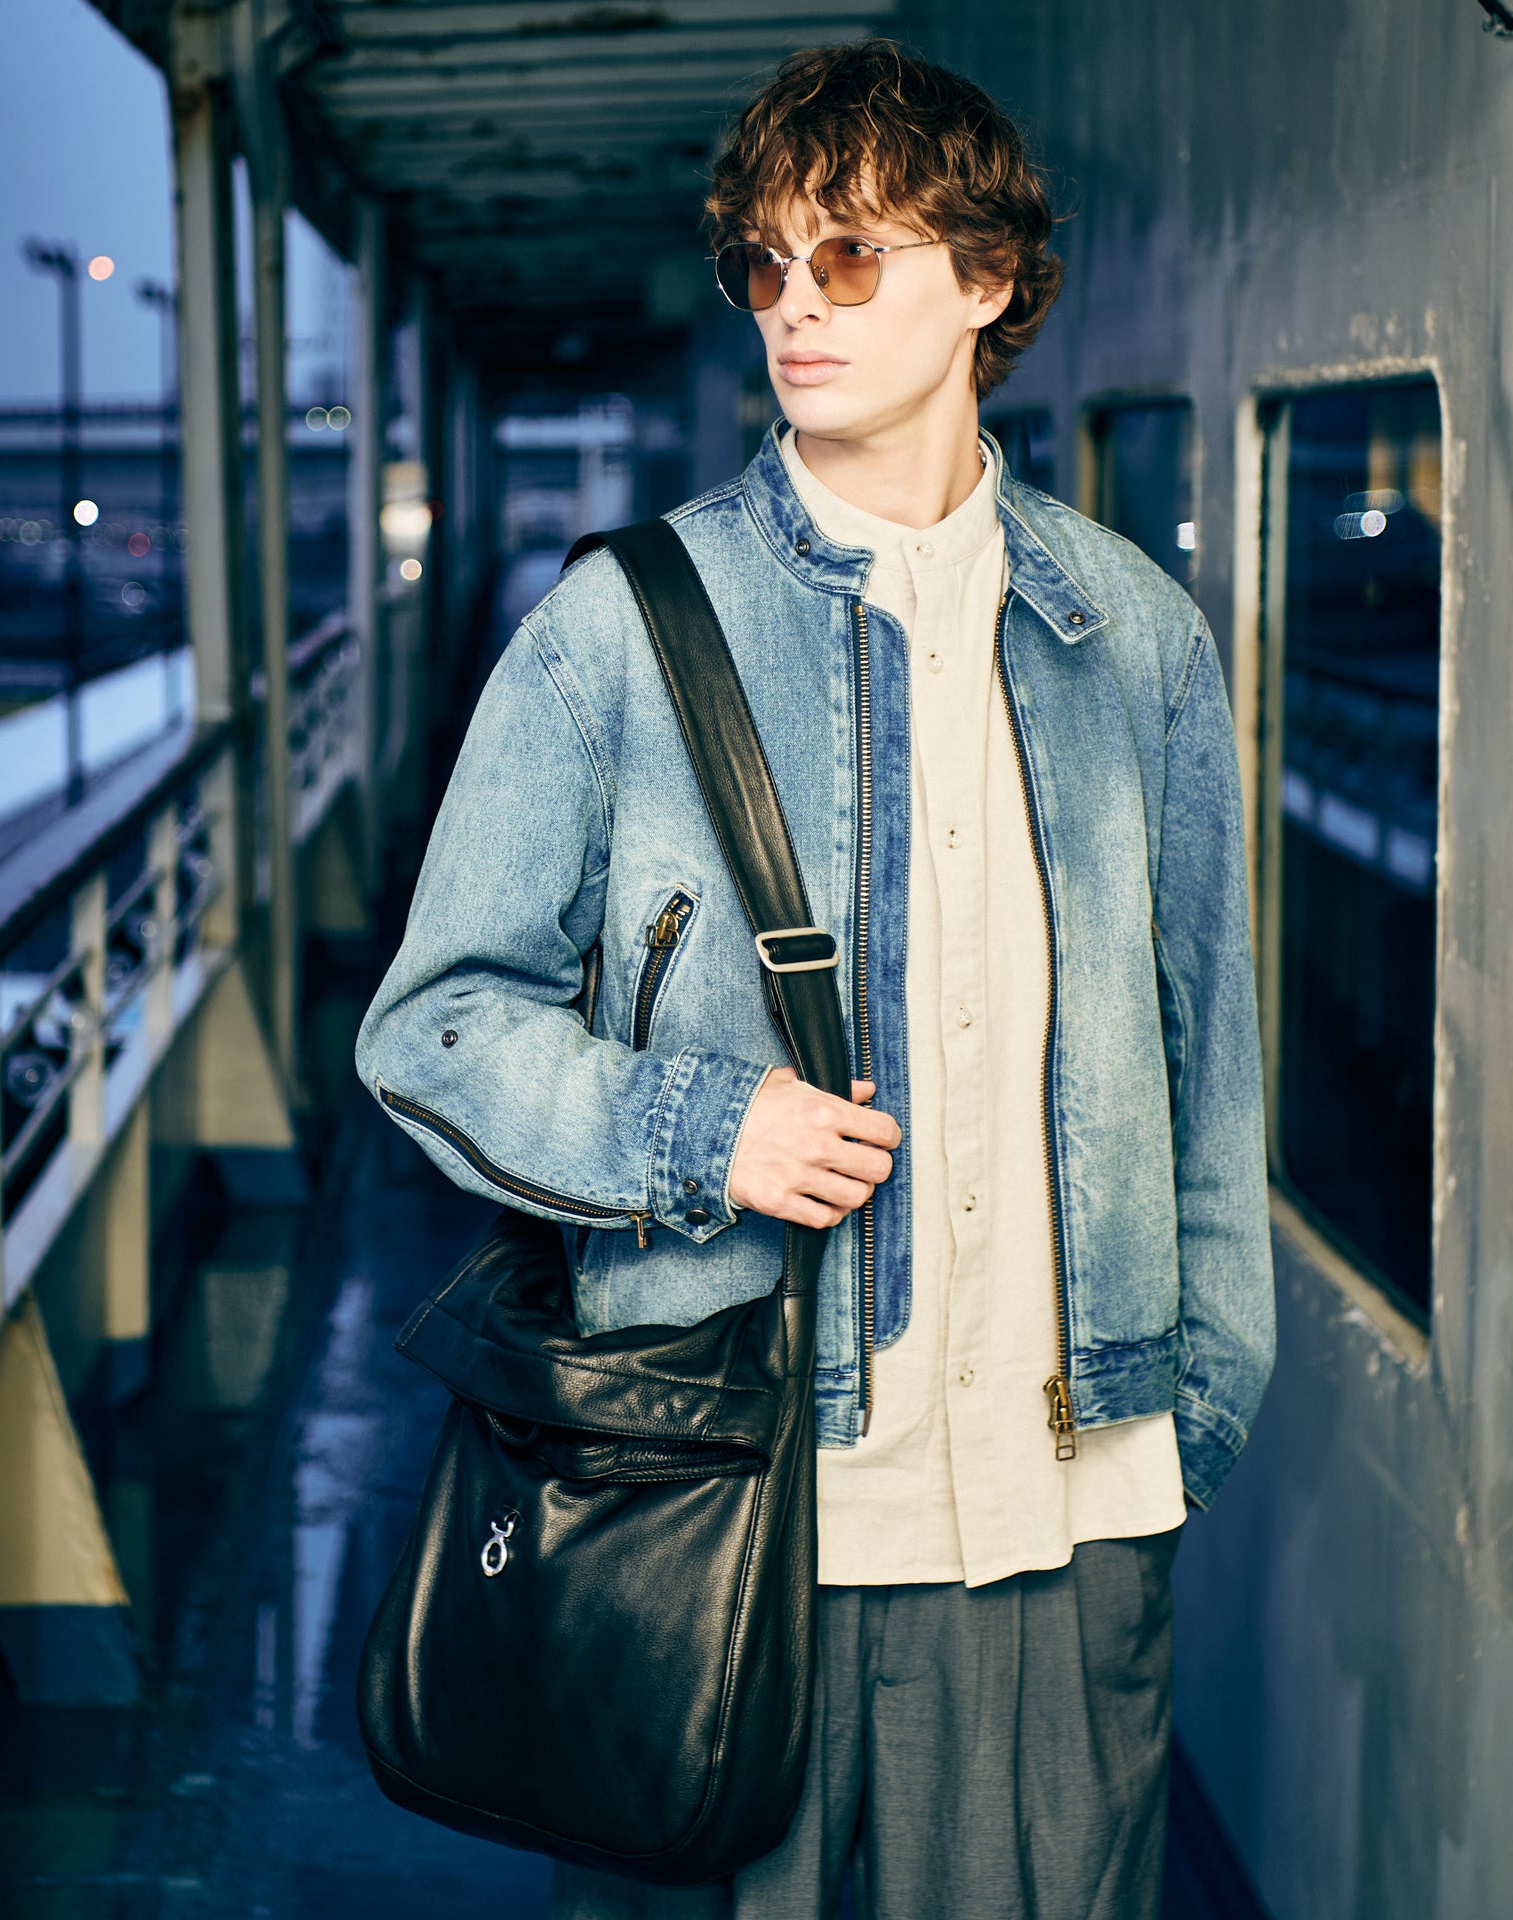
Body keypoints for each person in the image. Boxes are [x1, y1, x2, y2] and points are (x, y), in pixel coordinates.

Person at [356, 37, 1274, 1920]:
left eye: (848, 254)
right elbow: (432, 1027)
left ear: (988, 280)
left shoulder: (1136, 640)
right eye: (761, 263)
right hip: (728, 1500)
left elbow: (1208, 1068)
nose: (794, 303)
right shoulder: (618, 630)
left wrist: (1189, 1422)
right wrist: (705, 1131)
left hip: (1071, 1508)